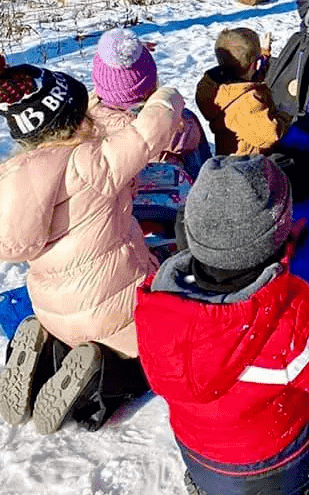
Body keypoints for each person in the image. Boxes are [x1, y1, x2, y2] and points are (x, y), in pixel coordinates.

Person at [135, 154, 309, 495]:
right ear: (277, 233)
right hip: (281, 466)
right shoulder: (291, 315)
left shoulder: (155, 304)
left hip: (201, 461)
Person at [0, 62, 184, 433]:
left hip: (52, 307)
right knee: (145, 356)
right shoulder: (92, 163)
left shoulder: (13, 175)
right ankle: (100, 371)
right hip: (116, 307)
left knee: (69, 320)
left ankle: (45, 352)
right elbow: (150, 134)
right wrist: (166, 95)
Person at [90, 27, 210, 234]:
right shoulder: (169, 127)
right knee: (192, 128)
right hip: (165, 199)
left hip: (118, 200)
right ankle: (206, 197)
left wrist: (128, 69)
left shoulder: (89, 118)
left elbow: (116, 83)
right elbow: (189, 138)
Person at [195, 27, 289, 156]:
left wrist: (262, 58)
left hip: (226, 153)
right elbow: (270, 136)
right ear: (254, 64)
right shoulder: (247, 101)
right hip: (249, 162)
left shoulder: (210, 86)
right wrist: (286, 116)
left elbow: (245, 75)